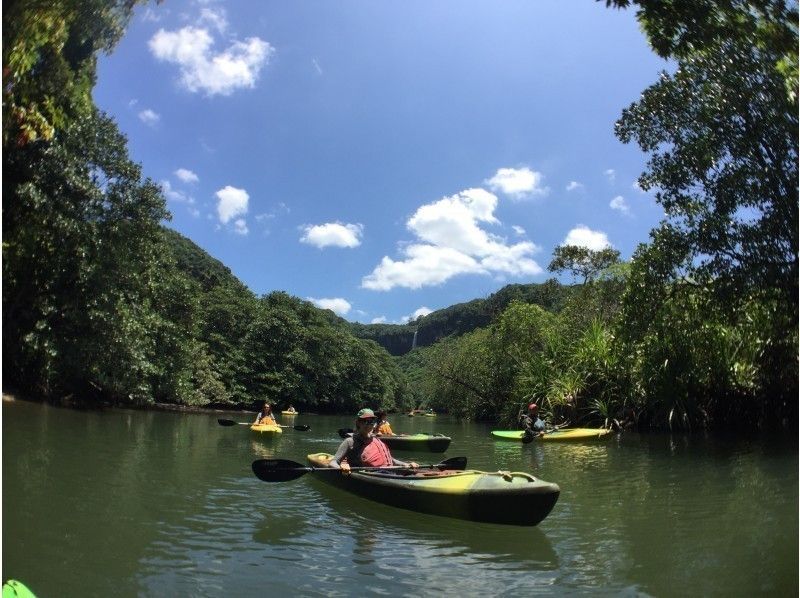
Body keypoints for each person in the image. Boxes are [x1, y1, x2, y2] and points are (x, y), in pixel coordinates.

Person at [328, 408, 418, 473]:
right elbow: (333, 462)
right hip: (371, 475)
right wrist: (341, 467)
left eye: (372, 421)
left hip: (388, 472)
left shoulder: (376, 440)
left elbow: (391, 460)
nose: (369, 424)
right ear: (358, 423)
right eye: (366, 421)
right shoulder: (349, 441)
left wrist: (406, 464)